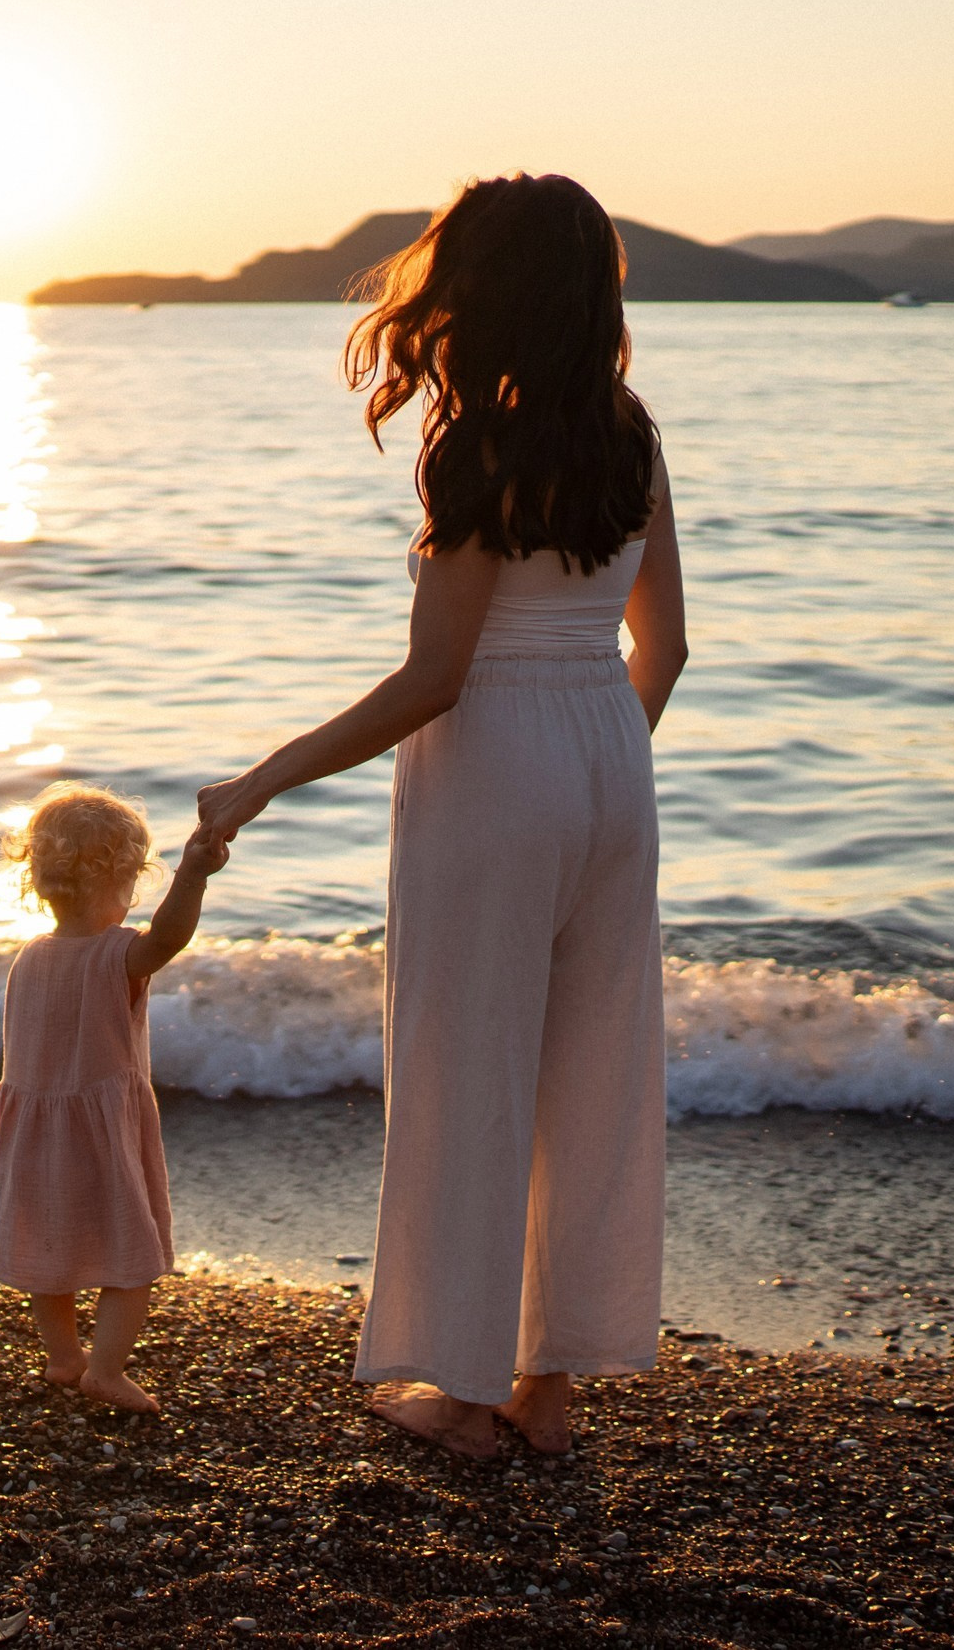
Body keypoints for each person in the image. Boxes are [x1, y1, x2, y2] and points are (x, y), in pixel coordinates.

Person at [195, 174, 687, 1460]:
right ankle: (552, 1393)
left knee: (469, 1075)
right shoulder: (630, 434)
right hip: (608, 759)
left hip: (500, 760)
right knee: (591, 1074)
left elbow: (435, 679)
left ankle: (461, 1397)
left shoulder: (479, 444)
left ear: (487, 292)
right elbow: (668, 647)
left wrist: (260, 779)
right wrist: (592, 767)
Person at [0, 783, 227, 1413]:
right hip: (101, 1134)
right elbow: (166, 940)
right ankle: (105, 1371)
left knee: (46, 1252)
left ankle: (64, 1358)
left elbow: (17, 1059)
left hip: (35, 1132)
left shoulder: (29, 958)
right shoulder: (119, 954)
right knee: (130, 1259)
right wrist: (192, 875)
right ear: (121, 880)